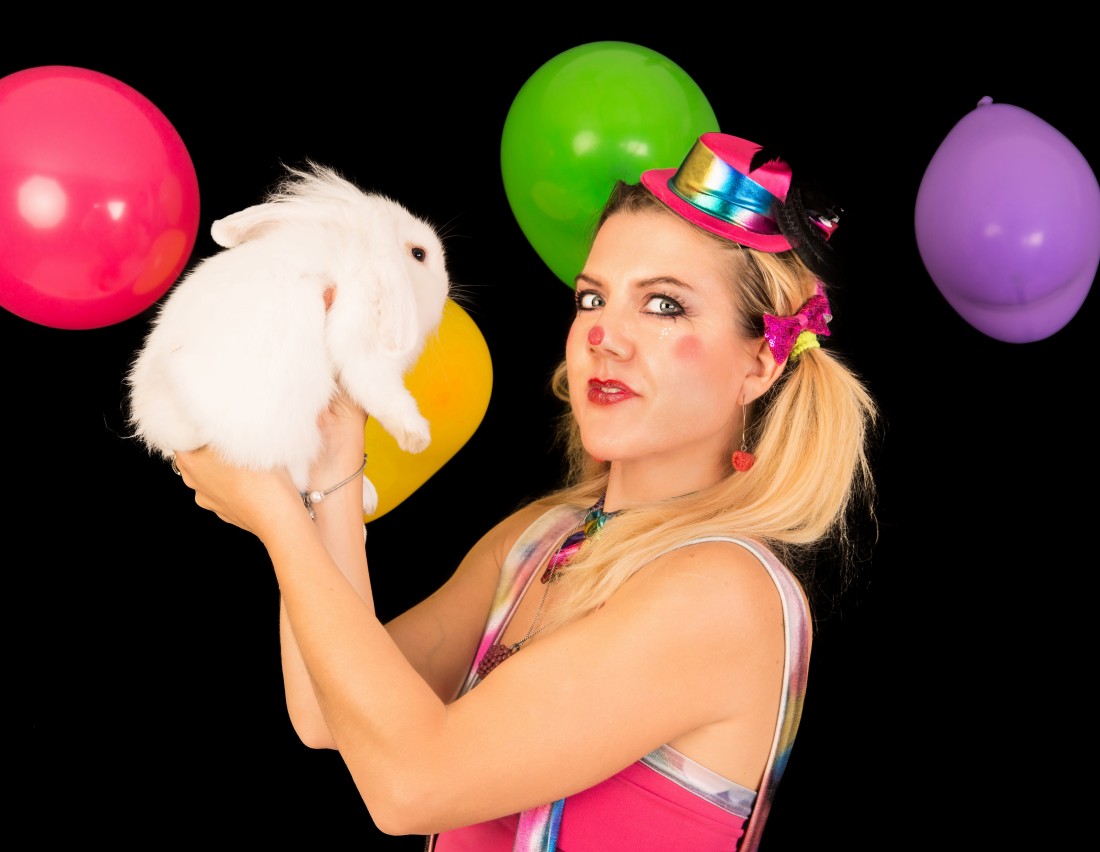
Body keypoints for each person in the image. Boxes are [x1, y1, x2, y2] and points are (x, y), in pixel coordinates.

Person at [172, 131, 878, 851]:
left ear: (761, 363)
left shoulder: (725, 589)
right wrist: (330, 468)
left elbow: (411, 786)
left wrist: (278, 519)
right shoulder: (541, 537)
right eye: (592, 298)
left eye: (664, 305)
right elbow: (330, 713)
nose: (604, 336)